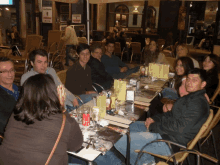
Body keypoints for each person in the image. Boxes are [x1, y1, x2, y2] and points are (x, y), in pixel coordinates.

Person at [94, 68, 209, 165]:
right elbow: (171, 114)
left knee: (117, 139)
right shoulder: (192, 97)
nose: (189, 82)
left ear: (203, 84)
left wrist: (154, 126)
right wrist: (155, 119)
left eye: (194, 80)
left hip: (169, 142)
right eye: (188, 79)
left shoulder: (197, 103)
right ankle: (137, 157)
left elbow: (180, 128)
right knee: (126, 126)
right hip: (165, 132)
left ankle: (146, 162)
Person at [0, 74, 83, 165]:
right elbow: (75, 146)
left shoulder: (15, 115)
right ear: (53, 93)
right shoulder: (62, 120)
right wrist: (62, 108)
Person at [0, 57, 20, 145]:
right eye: (4, 71)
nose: (10, 74)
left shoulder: (23, 89)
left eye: (12, 70)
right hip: (12, 140)